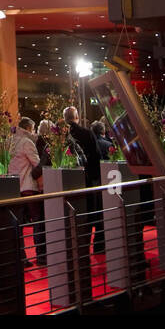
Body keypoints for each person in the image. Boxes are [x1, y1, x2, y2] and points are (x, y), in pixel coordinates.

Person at [65, 105, 105, 255]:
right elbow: (96, 156)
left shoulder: (61, 136)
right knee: (90, 215)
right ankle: (93, 247)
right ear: (77, 117)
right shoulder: (87, 133)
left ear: (64, 119)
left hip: (67, 182)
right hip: (88, 180)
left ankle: (77, 250)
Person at [9, 117, 46, 267]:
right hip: (28, 187)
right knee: (38, 221)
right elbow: (37, 164)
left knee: (18, 224)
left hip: (14, 187)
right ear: (29, 128)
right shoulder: (27, 142)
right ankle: (41, 256)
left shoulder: (10, 142)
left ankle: (21, 257)